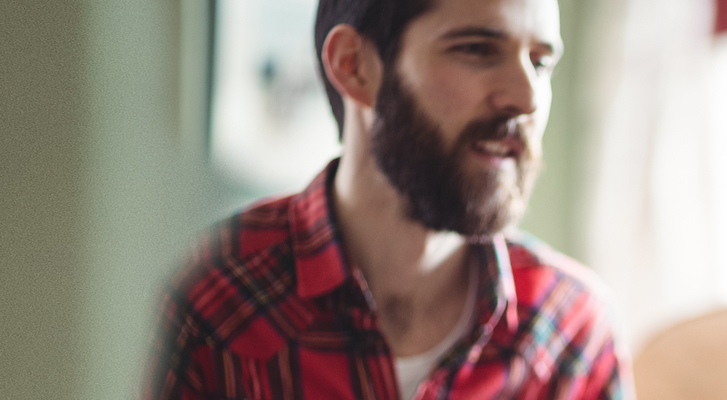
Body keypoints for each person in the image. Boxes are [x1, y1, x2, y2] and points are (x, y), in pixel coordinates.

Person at [148, 0, 625, 398]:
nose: (527, 98)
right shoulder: (214, 298)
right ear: (354, 66)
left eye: (540, 63)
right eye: (477, 49)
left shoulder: (572, 332)